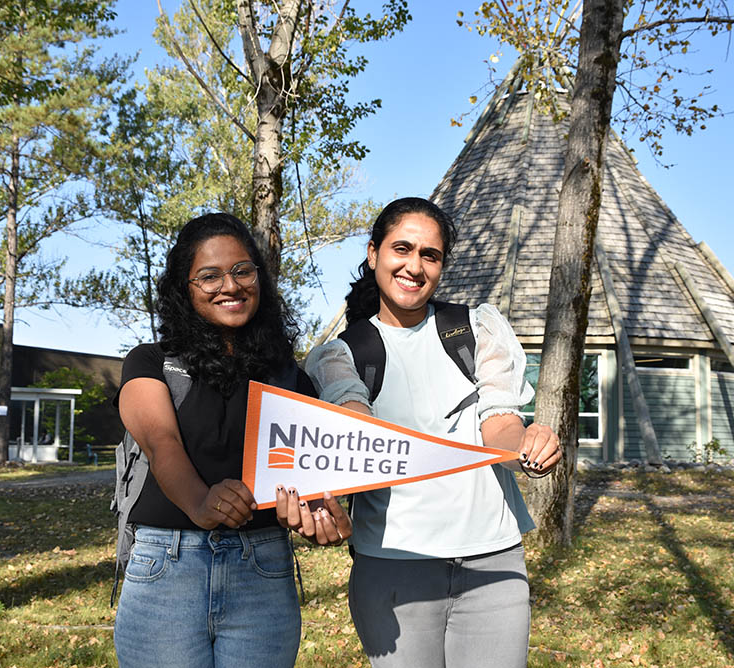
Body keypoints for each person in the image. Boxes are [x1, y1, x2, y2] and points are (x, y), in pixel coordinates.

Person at [305, 197, 562, 668]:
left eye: (430, 254)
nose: (414, 266)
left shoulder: (475, 330)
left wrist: (526, 445)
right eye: (401, 249)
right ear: (373, 253)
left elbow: (500, 426)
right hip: (393, 566)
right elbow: (356, 434)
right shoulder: (343, 355)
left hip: (494, 560)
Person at [113, 212, 350, 668]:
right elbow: (161, 441)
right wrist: (201, 502)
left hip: (261, 572)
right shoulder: (150, 362)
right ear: (184, 287)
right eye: (209, 275)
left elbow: (309, 475)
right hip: (167, 567)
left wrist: (320, 515)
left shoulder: (289, 378)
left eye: (243, 270)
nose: (231, 285)